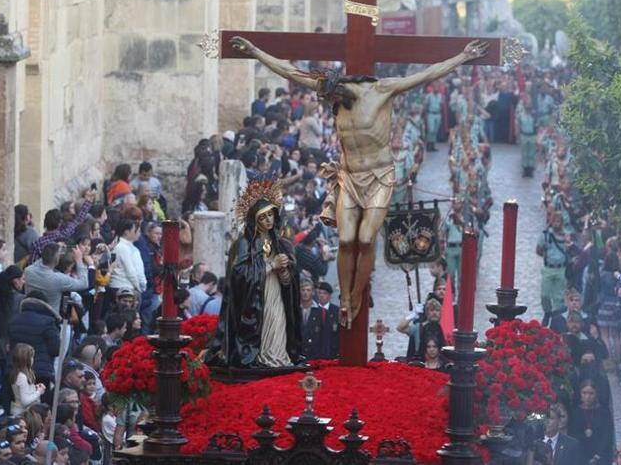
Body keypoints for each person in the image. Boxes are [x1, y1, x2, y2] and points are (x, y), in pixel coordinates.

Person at [231, 35, 489, 328]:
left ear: (340, 89)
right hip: (349, 176)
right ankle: (345, 299)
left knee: (365, 240)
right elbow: (290, 71)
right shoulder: (332, 94)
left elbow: (427, 74)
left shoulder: (381, 90)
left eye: (330, 99)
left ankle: (355, 297)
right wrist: (255, 52)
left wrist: (463, 57)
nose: (328, 104)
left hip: (379, 176)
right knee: (346, 239)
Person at [208, 180, 303, 368]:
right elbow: (239, 274)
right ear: (255, 220)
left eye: (270, 215)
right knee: (264, 324)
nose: (268, 220)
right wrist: (269, 266)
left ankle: (277, 357)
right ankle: (261, 357)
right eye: (263, 217)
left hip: (276, 292)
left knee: (278, 323)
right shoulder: (245, 243)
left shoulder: (281, 243)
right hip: (255, 297)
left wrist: (285, 271)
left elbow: (291, 279)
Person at [23, 243, 90, 313]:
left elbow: (41, 261)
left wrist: (53, 248)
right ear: (57, 260)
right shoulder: (59, 279)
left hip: (29, 311)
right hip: (50, 317)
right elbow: (84, 283)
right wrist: (79, 260)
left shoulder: (28, 271)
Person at [569, 380, 614, 465]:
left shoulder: (604, 412)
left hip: (601, 455)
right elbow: (572, 434)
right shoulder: (575, 412)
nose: (587, 397)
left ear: (596, 394)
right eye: (584, 393)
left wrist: (598, 455)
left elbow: (607, 435)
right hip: (580, 455)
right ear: (580, 394)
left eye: (591, 393)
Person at [537, 212, 570, 325]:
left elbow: (570, 250)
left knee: (559, 297)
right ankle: (547, 312)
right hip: (548, 268)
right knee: (544, 295)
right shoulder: (546, 235)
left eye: (559, 221)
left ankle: (556, 319)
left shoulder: (566, 235)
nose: (557, 224)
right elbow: (538, 249)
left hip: (561, 269)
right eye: (555, 221)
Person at [8, 344, 46, 416]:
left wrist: (34, 389)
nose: (33, 359)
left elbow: (24, 391)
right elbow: (25, 401)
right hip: (22, 413)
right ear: (26, 359)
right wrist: (38, 392)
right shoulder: (21, 377)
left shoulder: (21, 374)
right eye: (31, 357)